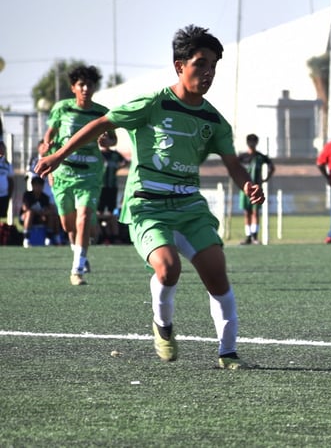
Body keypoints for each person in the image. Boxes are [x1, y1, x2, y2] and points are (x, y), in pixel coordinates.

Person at [36, 24, 265, 370]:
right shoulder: (153, 104)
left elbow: (233, 165)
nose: (207, 74)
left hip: (190, 207)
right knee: (168, 268)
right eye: (200, 64)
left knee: (217, 273)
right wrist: (59, 155)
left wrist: (248, 184)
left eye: (213, 67)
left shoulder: (213, 120)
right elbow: (101, 124)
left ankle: (228, 352)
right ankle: (163, 326)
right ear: (179, 65)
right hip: (147, 206)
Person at [43, 64, 111, 285]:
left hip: (90, 175)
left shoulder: (102, 112)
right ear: (73, 87)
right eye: (81, 84)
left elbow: (113, 139)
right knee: (67, 225)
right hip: (63, 173)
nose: (85, 89)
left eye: (89, 85)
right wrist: (47, 150)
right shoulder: (62, 108)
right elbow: (48, 137)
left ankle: (77, 268)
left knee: (83, 219)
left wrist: (106, 141)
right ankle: (78, 251)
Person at [237, 133, 275, 245]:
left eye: (254, 142)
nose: (252, 144)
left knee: (255, 212)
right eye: (250, 142)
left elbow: (271, 167)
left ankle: (254, 236)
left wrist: (265, 179)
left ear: (256, 143)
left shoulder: (260, 157)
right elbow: (235, 169)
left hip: (256, 189)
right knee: (246, 212)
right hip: (244, 189)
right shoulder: (242, 157)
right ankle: (248, 236)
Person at [97, 132, 129, 244]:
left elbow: (125, 162)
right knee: (98, 212)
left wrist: (118, 167)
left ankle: (114, 237)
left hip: (112, 187)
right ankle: (101, 235)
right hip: (101, 187)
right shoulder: (98, 154)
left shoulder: (115, 154)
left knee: (111, 212)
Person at [20, 176, 59, 247]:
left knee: (52, 215)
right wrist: (37, 213)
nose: (38, 187)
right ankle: (26, 239)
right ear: (32, 185)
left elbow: (49, 210)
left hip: (41, 217)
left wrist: (43, 214)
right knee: (29, 213)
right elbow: (25, 208)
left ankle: (49, 239)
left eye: (40, 185)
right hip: (27, 217)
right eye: (36, 185)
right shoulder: (27, 195)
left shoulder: (45, 197)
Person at [0, 141, 14, 222]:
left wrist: (9, 195)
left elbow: (11, 180)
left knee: (2, 217)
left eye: (2, 148)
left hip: (4, 195)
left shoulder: (7, 164)